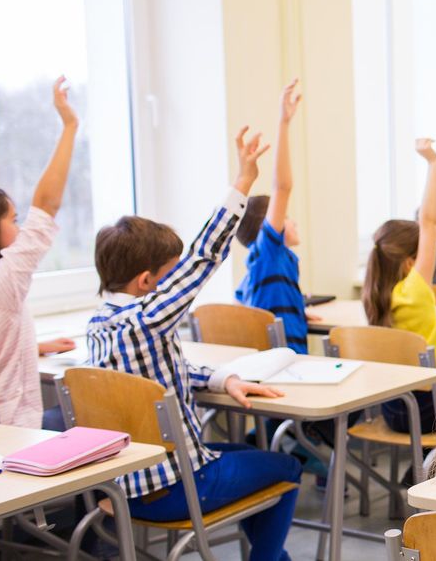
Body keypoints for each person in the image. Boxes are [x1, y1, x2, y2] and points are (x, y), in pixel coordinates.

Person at [87, 127, 300, 561]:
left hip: (122, 486)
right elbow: (204, 257)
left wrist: (224, 377)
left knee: (246, 453)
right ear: (148, 282)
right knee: (287, 467)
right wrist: (242, 181)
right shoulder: (145, 320)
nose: (175, 285)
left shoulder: (99, 325)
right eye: (169, 276)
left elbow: (157, 375)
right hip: (176, 486)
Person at [0, 76, 77, 428]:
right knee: (94, 416)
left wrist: (33, 348)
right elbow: (46, 205)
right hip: (15, 431)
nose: (20, 228)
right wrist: (69, 126)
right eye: (12, 219)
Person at [362, 139, 436, 433]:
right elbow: (428, 222)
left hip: (393, 409)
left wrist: (435, 330)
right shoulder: (415, 289)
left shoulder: (376, 295)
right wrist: (432, 162)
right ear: (409, 263)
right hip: (430, 410)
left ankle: (420, 466)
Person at [234, 79, 311, 354]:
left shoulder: (259, 267)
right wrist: (284, 123)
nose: (293, 221)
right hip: (288, 366)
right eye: (286, 217)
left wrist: (298, 310)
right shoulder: (269, 255)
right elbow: (283, 186)